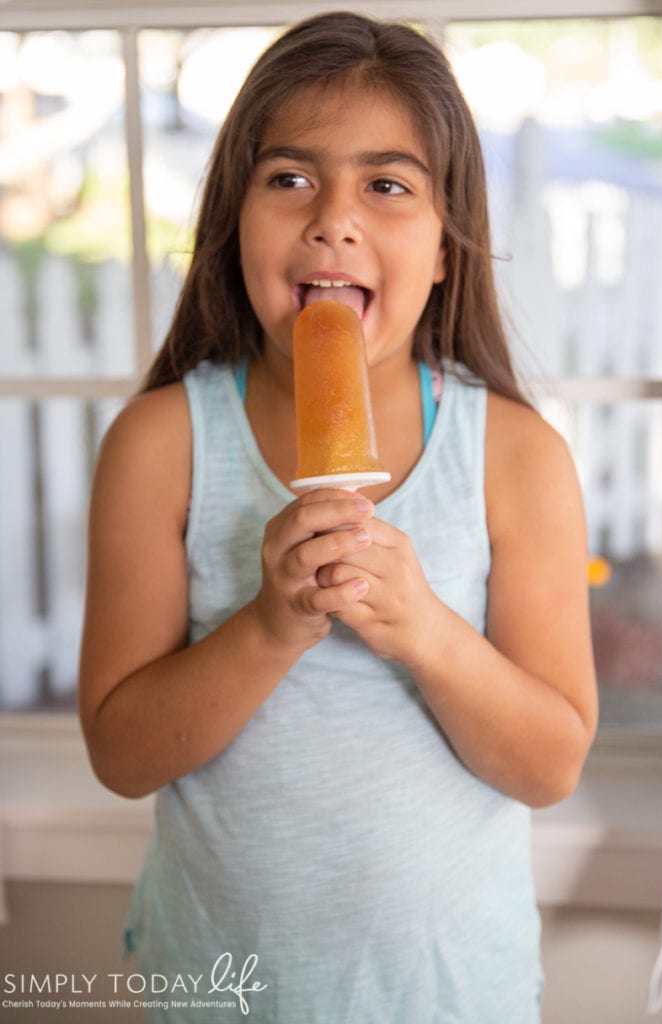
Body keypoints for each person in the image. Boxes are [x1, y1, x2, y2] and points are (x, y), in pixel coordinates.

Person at [78, 12, 598, 1023]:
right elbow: (119, 752)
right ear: (232, 219)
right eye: (288, 178)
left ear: (446, 249)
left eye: (386, 185)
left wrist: (425, 628)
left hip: (453, 995)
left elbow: (550, 763)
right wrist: (272, 625)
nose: (331, 219)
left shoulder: (515, 458)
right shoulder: (160, 445)